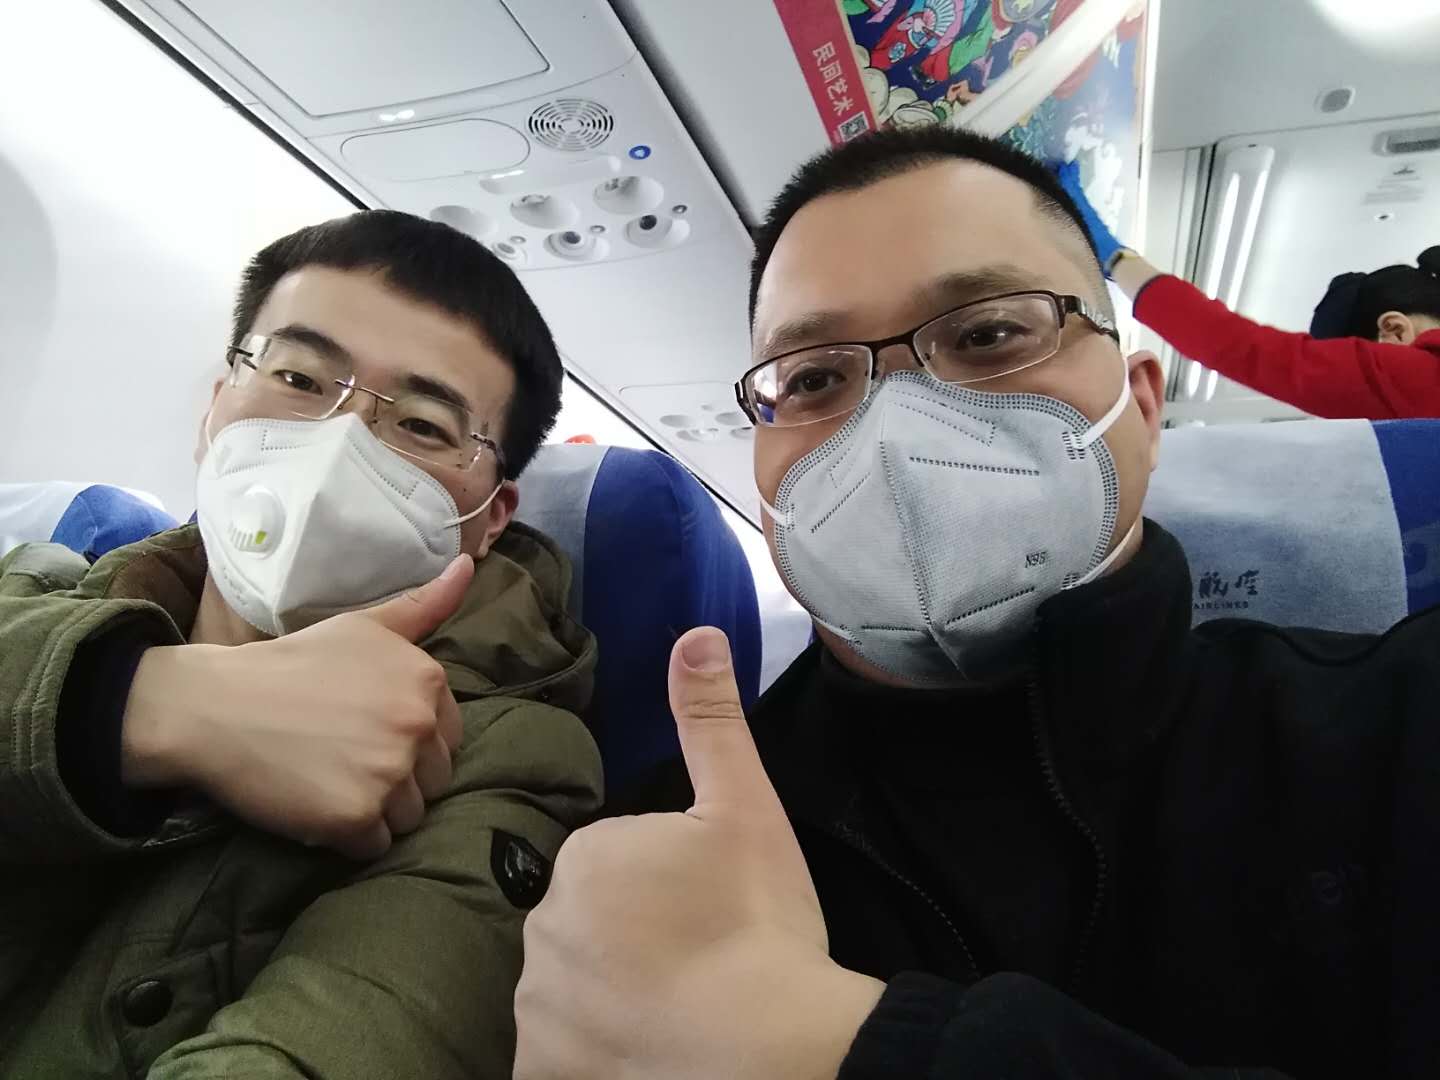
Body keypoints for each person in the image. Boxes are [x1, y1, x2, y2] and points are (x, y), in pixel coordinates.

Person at [512, 127, 1440, 1078]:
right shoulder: (658, 854)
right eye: (817, 379)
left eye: (987, 334)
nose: (895, 431)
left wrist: (856, 1054)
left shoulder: (1404, 730)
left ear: (1142, 406)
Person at [0, 210, 602, 1078]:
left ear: (488, 519)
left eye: (423, 426)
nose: (336, 444)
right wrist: (134, 701)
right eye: (297, 377)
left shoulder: (506, 758)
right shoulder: (36, 584)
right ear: (215, 408)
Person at [1055, 160, 1440, 419]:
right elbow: (1234, 345)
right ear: (1393, 330)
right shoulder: (1418, 380)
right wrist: (1114, 258)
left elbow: (1235, 345)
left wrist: (1114, 255)